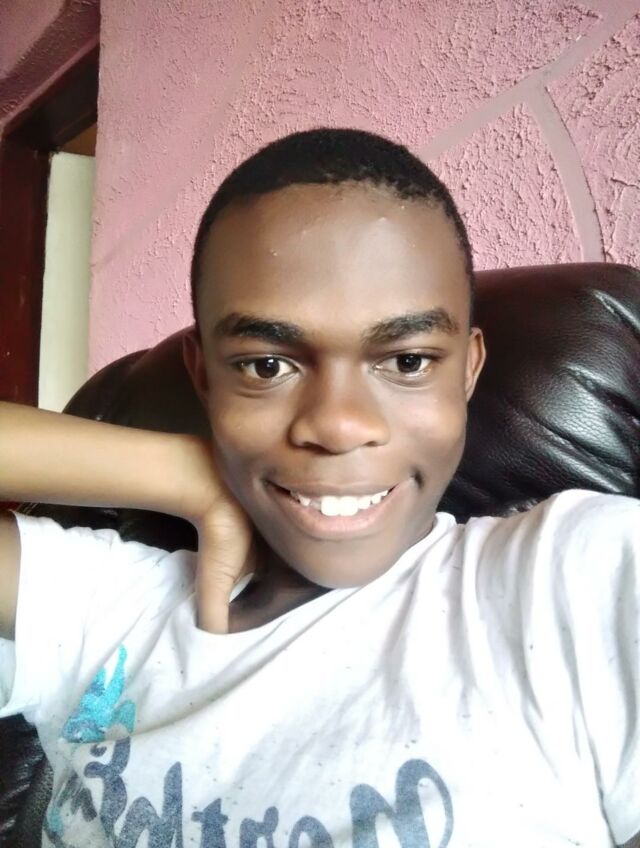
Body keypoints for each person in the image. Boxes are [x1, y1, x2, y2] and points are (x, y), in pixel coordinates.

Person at [0, 128, 638, 848]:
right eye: (266, 366)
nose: (337, 425)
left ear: (467, 369)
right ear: (203, 377)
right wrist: (182, 471)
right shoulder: (108, 607)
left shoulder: (580, 577)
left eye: (408, 360)